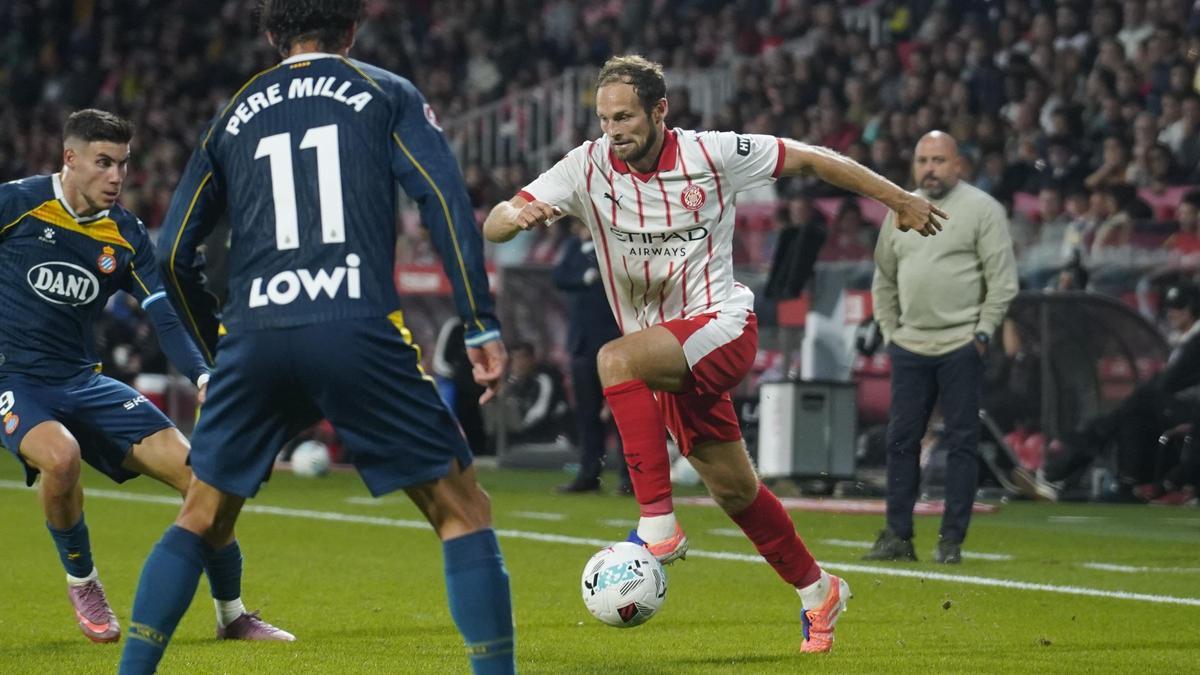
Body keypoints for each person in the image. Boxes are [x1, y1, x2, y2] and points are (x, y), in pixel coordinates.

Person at [483, 55, 944, 654]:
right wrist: (518, 216)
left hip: (721, 326)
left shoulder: (712, 153)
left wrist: (898, 198)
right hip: (665, 360)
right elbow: (495, 222)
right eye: (604, 118)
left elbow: (811, 158)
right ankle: (819, 590)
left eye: (625, 117)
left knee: (613, 360)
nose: (613, 130)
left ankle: (658, 525)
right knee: (734, 492)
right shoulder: (585, 167)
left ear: (659, 110)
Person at [117, 2, 514, 673]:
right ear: (352, 30)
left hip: (255, 335)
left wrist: (220, 351)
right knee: (463, 509)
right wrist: (479, 319)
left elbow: (173, 251)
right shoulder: (384, 92)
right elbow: (444, 203)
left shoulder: (232, 114)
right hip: (354, 325)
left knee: (202, 515)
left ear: (273, 35)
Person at [0, 109, 289, 643]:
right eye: (103, 163)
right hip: (15, 381)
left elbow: (165, 318)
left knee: (203, 479)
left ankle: (232, 616)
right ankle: (83, 580)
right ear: (70, 158)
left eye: (123, 164)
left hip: (84, 382)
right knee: (61, 458)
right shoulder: (16, 204)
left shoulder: (125, 234)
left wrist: (203, 375)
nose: (117, 177)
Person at [866, 131, 1019, 565]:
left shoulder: (983, 209)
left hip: (960, 343)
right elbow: (883, 277)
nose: (929, 169)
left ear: (958, 165)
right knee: (901, 441)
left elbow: (1003, 281)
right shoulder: (899, 209)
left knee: (962, 443)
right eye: (922, 160)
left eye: (938, 160)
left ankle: (951, 541)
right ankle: (898, 536)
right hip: (910, 343)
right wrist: (891, 331)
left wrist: (983, 333)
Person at [1044, 281, 1200, 494]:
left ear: (1194, 307)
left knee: (1135, 406)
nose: (1171, 312)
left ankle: (1070, 467)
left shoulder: (1196, 342)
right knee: (1132, 410)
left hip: (1192, 410)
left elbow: (1170, 381)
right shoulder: (1185, 340)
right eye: (1169, 306)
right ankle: (1116, 477)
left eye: (1179, 305)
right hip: (1180, 406)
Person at [552, 220, 628, 493]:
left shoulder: (614, 244)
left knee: (623, 415)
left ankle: (630, 479)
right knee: (587, 415)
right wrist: (584, 276)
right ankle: (589, 475)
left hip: (613, 342)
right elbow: (558, 276)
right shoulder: (573, 247)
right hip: (583, 344)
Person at [503, 341, 570, 445]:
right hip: (521, 437)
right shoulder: (512, 383)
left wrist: (519, 427)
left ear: (532, 359)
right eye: (514, 359)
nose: (518, 364)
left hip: (545, 437)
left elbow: (539, 412)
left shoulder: (544, 379)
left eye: (522, 358)